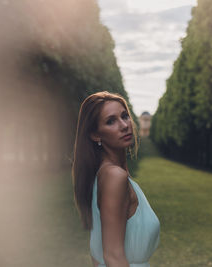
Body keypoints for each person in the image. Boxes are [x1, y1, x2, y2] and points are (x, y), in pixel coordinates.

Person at [72, 91, 160, 267]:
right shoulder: (114, 177)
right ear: (95, 135)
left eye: (125, 116)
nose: (124, 125)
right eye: (111, 121)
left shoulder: (103, 175)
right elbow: (113, 257)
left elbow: (97, 256)